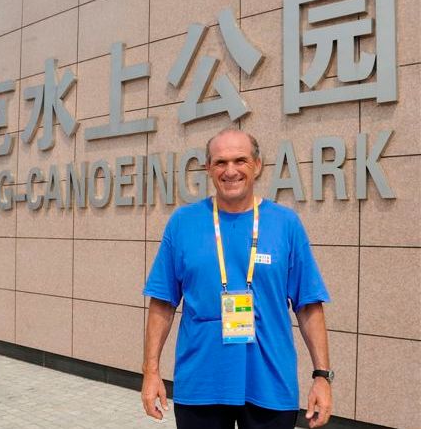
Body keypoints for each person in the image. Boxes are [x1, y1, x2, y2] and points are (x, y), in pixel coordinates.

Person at [141, 129, 333, 429]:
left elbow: (308, 305)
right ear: (208, 168)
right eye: (220, 162)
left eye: (240, 160)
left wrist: (322, 377)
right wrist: (151, 372)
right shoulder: (183, 223)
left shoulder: (286, 224)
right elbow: (162, 303)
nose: (230, 171)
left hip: (270, 385)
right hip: (201, 384)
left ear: (257, 165)